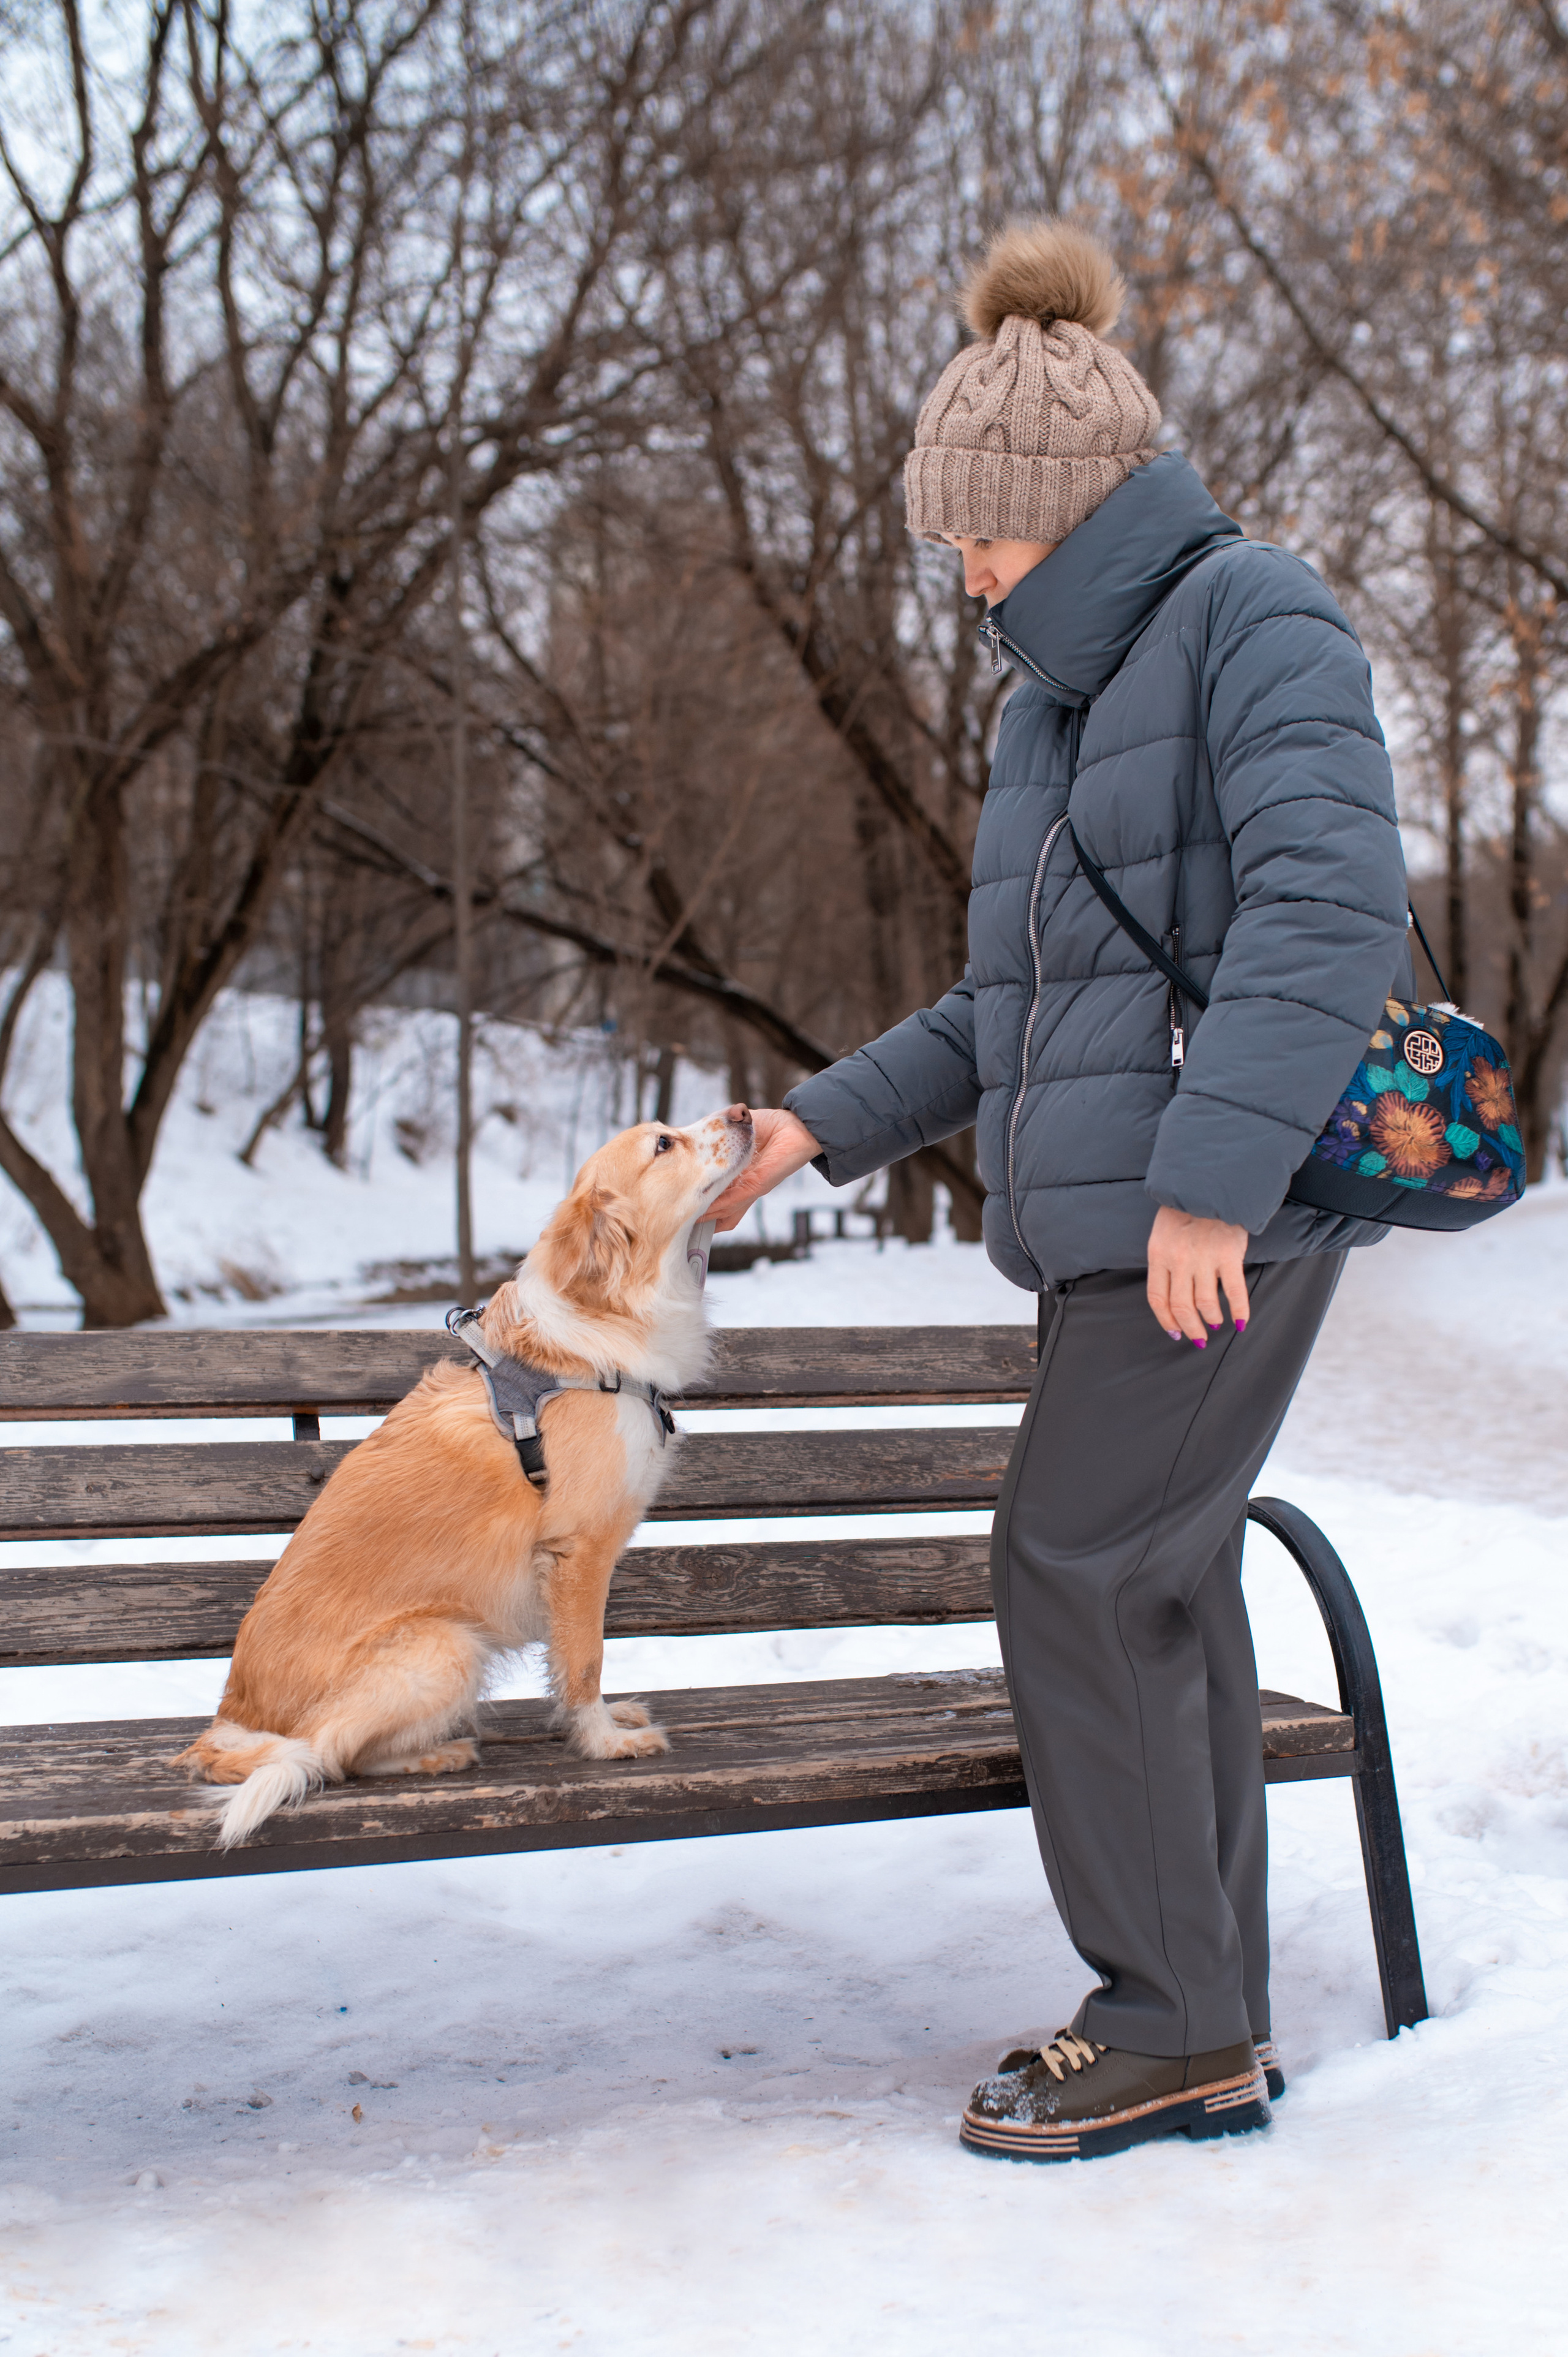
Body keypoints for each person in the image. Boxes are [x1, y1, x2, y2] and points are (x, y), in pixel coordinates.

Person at [706, 219, 1411, 2163]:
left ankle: (1167, 2021)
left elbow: (1328, 906)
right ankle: (1212, 2012)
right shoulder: (1054, 709)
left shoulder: (1256, 616)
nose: (963, 572)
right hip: (1132, 1222)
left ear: (1072, 502)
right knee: (1152, 1582)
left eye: (979, 532)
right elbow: (1005, 1016)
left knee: (1077, 1566)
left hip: (1210, 1224)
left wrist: (1210, 1187)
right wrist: (814, 1128)